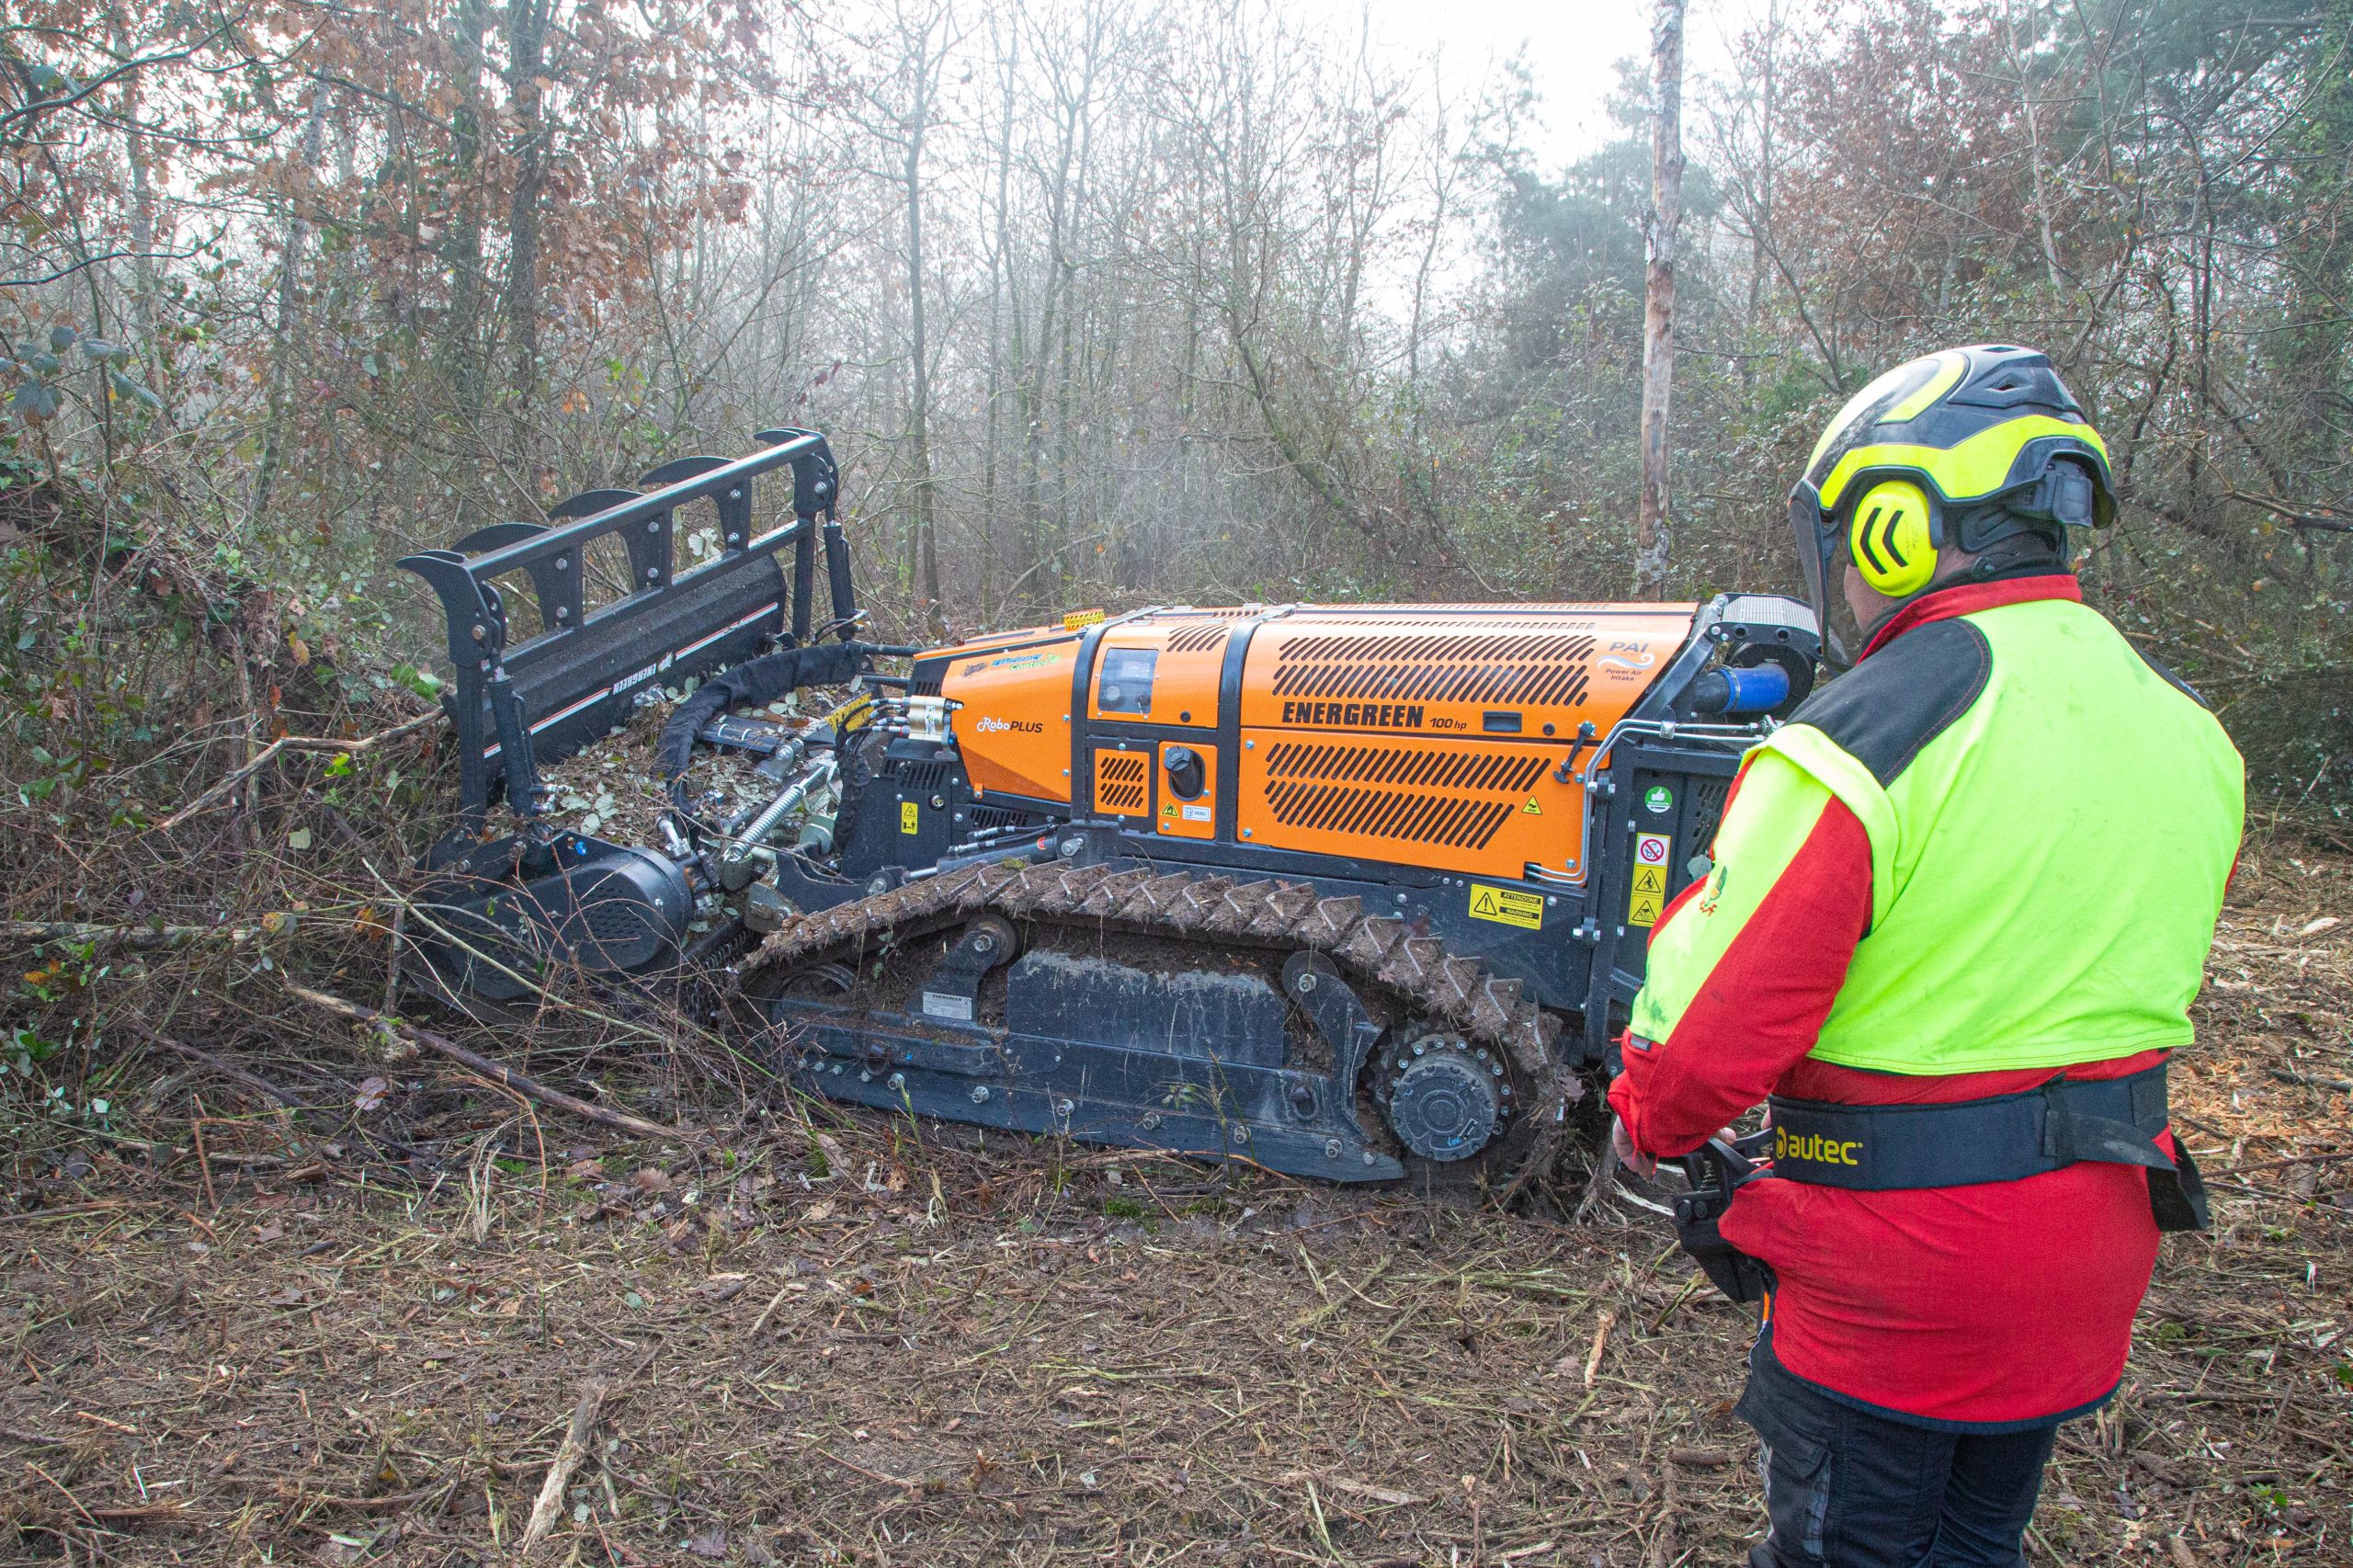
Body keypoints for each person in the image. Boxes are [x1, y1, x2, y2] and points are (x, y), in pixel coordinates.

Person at [1606, 345, 2244, 1568]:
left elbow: (1702, 1044)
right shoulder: (2188, 728)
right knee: (1974, 1544)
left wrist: (1647, 1119)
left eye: (1851, 534)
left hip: (1898, 1288)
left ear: (1900, 525)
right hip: (2088, 1262)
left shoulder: (1865, 735)